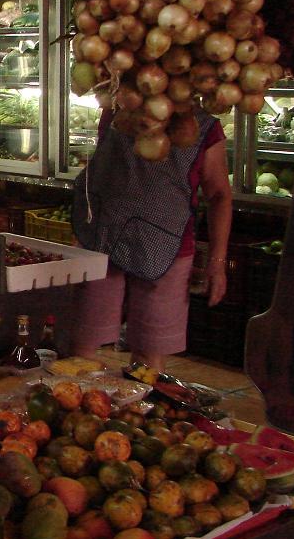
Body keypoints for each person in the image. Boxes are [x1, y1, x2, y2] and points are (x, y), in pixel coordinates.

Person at [70, 105, 232, 372]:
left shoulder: (204, 128)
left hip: (166, 248)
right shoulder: (117, 112)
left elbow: (219, 196)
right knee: (84, 346)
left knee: (149, 358)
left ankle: (139, 406)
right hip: (102, 239)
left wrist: (217, 263)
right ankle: (79, 407)